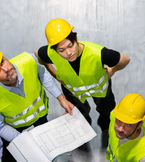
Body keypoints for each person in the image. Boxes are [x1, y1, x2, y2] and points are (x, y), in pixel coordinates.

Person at [37, 19, 130, 147]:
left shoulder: (97, 52)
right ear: (54, 49)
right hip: (73, 92)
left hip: (100, 90)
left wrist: (112, 71)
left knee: (106, 110)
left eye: (70, 45)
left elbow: (125, 59)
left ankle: (105, 126)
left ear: (76, 38)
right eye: (61, 50)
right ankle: (84, 127)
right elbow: (39, 55)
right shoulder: (50, 52)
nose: (68, 53)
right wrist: (54, 73)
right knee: (79, 113)